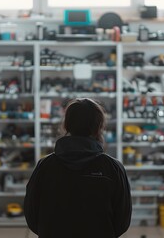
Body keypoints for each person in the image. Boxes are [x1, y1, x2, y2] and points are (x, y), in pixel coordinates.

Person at [24, 98, 132, 238]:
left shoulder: (45, 166)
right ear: (99, 127)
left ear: (67, 125)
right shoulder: (113, 169)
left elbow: (32, 217)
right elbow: (122, 222)